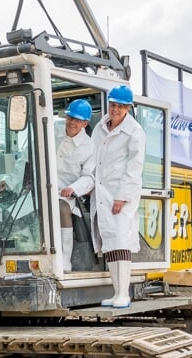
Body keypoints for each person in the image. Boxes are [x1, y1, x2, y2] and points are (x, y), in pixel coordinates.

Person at [90, 84, 146, 308]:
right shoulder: (100, 127)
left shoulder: (134, 132)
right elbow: (92, 156)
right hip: (102, 191)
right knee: (110, 242)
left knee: (121, 240)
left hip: (120, 194)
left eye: (120, 106)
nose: (115, 109)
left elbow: (134, 168)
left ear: (128, 108)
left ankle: (123, 292)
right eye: (112, 104)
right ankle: (116, 293)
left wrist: (122, 197)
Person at [56, 99, 95, 272]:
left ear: (85, 123)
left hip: (68, 194)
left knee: (62, 208)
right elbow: (28, 158)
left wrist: (73, 189)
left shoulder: (89, 146)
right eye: (70, 117)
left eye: (77, 120)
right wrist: (10, 180)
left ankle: (64, 261)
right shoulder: (51, 130)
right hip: (42, 187)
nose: (72, 122)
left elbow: (89, 178)